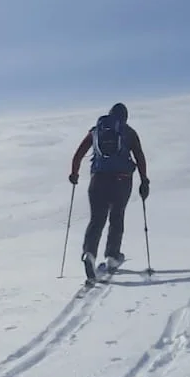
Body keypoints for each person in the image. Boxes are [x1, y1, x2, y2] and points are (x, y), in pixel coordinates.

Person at [68, 103, 150, 283]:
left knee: (97, 219)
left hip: (98, 180)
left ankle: (89, 253)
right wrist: (144, 180)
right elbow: (140, 156)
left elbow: (78, 154)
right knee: (117, 216)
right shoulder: (128, 132)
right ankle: (112, 256)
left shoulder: (96, 131)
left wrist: (74, 173)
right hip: (122, 180)